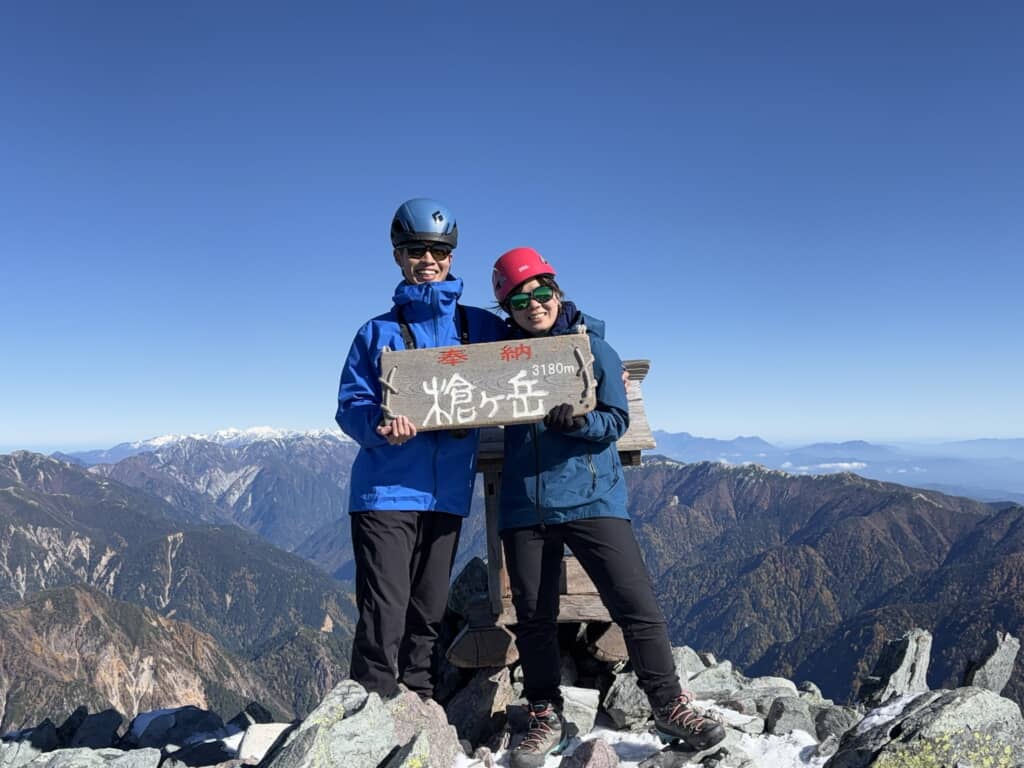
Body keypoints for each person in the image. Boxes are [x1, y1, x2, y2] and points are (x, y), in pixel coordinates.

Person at [491, 247, 726, 767]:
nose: (534, 304)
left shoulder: (594, 348)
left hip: (592, 496)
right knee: (533, 616)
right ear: (507, 309)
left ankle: (668, 703)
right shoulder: (500, 358)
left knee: (634, 604)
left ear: (558, 289)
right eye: (519, 299)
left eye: (541, 291)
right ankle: (544, 712)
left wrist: (580, 424)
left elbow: (617, 420)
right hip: (525, 504)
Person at [335, 198, 505, 701]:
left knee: (428, 609)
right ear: (397, 256)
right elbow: (350, 407)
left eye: (437, 250)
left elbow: (539, 348)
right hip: (385, 491)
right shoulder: (376, 333)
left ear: (451, 257)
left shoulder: (481, 328)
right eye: (414, 250)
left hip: (447, 494)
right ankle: (370, 708)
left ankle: (419, 704)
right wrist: (380, 425)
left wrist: (595, 355)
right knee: (383, 610)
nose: (427, 259)